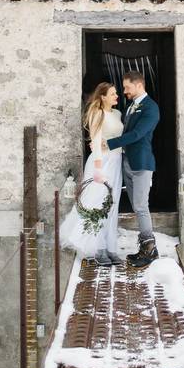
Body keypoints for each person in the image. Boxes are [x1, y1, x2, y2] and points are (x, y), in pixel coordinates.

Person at [58, 82, 125, 266]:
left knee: (113, 205)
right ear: (103, 96)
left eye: (116, 93)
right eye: (112, 93)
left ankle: (111, 248)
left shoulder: (118, 114)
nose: (116, 95)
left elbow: (120, 139)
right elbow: (95, 140)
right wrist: (97, 169)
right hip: (101, 162)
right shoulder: (97, 113)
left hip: (116, 161)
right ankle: (99, 248)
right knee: (98, 205)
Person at [104, 71, 160, 268]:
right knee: (137, 206)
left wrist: (109, 144)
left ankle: (150, 249)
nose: (124, 91)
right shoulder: (130, 106)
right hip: (127, 162)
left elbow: (137, 134)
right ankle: (145, 247)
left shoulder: (151, 108)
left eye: (127, 87)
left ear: (138, 85)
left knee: (141, 206)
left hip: (142, 164)